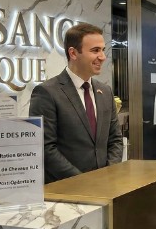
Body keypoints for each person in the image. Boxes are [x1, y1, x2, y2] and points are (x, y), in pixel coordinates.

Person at [30, 23, 123, 183]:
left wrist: (109, 174)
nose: (102, 57)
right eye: (95, 50)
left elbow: (115, 139)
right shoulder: (47, 92)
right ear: (73, 53)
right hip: (66, 191)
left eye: (102, 50)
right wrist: (83, 181)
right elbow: (45, 147)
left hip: (104, 187)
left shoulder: (105, 91)